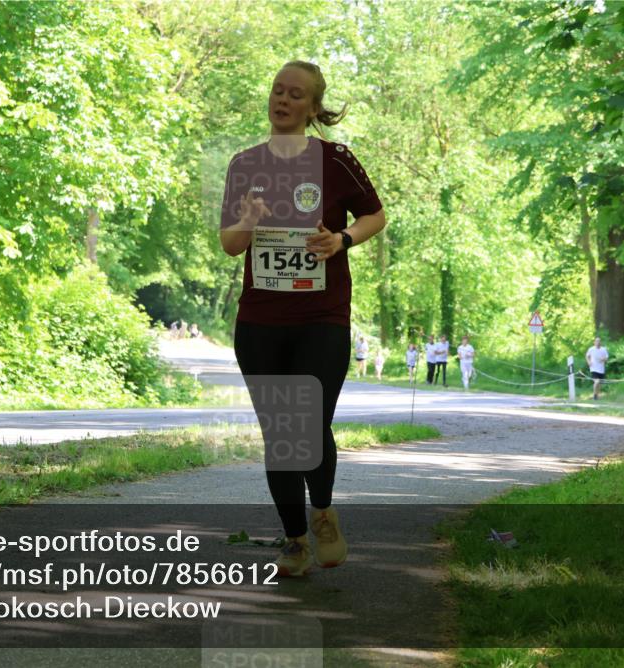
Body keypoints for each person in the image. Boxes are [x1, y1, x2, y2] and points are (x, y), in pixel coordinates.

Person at [219, 60, 386, 577]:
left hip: (322, 316)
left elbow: (375, 215)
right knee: (281, 430)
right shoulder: (245, 164)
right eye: (277, 91)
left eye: (296, 94)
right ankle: (294, 541)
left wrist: (342, 239)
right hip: (261, 321)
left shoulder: (336, 161)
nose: (283, 100)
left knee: (308, 422)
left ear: (313, 108)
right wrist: (247, 220)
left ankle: (324, 513)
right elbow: (229, 244)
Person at [585, 336, 609, 401]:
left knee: (599, 383)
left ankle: (597, 395)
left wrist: (603, 359)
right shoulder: (591, 349)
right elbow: (587, 356)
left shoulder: (603, 349)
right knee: (597, 381)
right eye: (596, 341)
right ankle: (595, 395)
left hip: (601, 369)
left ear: (600, 342)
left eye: (599, 341)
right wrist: (589, 362)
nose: (598, 342)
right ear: (594, 342)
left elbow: (606, 358)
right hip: (593, 368)